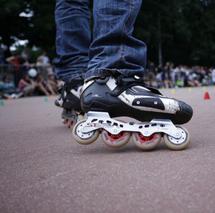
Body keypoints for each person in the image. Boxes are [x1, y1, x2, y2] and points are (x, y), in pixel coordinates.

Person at [54, 0, 193, 149]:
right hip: (112, 82)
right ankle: (112, 76)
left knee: (72, 2)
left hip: (75, 75)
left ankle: (77, 82)